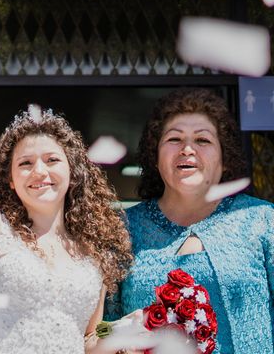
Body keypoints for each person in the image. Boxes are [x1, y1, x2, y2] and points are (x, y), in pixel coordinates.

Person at [0, 95, 133, 352]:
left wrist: (118, 333)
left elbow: (88, 338)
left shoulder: (93, 252)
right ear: (10, 179)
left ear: (72, 170)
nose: (39, 171)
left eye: (52, 160)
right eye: (25, 163)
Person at [107, 88, 274, 353]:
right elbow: (103, 328)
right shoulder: (122, 229)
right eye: (174, 139)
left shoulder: (263, 221)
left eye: (203, 140)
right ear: (155, 156)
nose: (187, 149)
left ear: (224, 158)